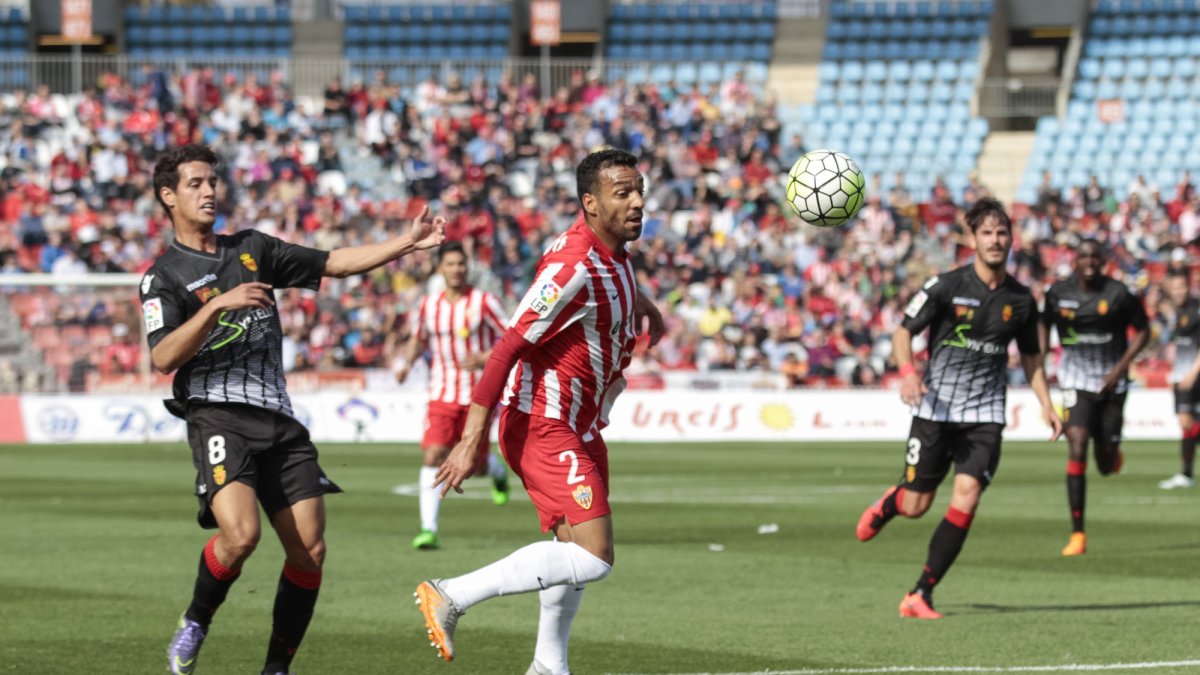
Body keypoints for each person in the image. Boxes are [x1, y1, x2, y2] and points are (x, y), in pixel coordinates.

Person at [142, 144, 444, 675]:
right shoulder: (161, 277)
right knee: (240, 536)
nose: (210, 191)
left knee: (310, 552)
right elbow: (163, 356)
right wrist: (216, 306)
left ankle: (276, 669)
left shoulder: (252, 248)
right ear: (169, 196)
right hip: (218, 414)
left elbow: (334, 263)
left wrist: (406, 243)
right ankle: (196, 619)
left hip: (279, 419)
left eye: (213, 181)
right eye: (195, 184)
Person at [412, 149, 664, 674]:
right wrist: (471, 440)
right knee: (593, 555)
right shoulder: (573, 264)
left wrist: (641, 305)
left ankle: (549, 666)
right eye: (624, 193)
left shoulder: (613, 249)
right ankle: (451, 593)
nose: (638, 201)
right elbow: (507, 346)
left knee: (569, 553)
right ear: (590, 203)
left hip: (580, 422)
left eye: (639, 189)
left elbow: (610, 285)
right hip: (543, 421)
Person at [854, 197, 1063, 620]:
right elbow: (902, 333)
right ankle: (890, 503)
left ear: (1011, 238)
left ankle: (921, 593)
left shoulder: (1021, 300)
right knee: (916, 505)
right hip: (936, 409)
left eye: (1002, 232)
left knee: (968, 495)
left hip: (985, 416)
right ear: (971, 238)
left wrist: (1046, 403)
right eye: (986, 232)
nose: (995, 240)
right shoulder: (945, 286)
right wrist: (908, 373)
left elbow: (1031, 358)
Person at [396, 241, 512, 550]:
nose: (457, 269)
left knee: (475, 467)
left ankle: (497, 472)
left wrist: (486, 356)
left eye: (461, 264)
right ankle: (428, 529)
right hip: (442, 393)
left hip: (480, 398)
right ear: (440, 268)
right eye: (450, 264)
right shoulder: (428, 306)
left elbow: (513, 336)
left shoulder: (485, 302)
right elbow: (418, 339)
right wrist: (406, 364)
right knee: (434, 454)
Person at [1040, 240, 1149, 555]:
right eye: (1083, 256)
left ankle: (1112, 451)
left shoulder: (1119, 294)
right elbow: (1042, 323)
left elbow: (1143, 331)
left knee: (1104, 462)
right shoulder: (1057, 293)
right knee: (1076, 443)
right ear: (1075, 260)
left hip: (1112, 385)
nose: (1089, 261)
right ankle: (1078, 535)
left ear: (1103, 261)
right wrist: (1042, 354)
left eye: (1094, 256)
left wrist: (1119, 369)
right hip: (1075, 382)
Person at [1159, 271, 1200, 490]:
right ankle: (1186, 474)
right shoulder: (1179, 311)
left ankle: (1186, 474)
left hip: (1192, 375)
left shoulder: (1196, 308)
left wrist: (1192, 373)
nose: (1178, 291)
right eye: (1174, 288)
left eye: (1182, 287)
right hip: (1181, 374)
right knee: (1188, 424)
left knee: (1187, 422)